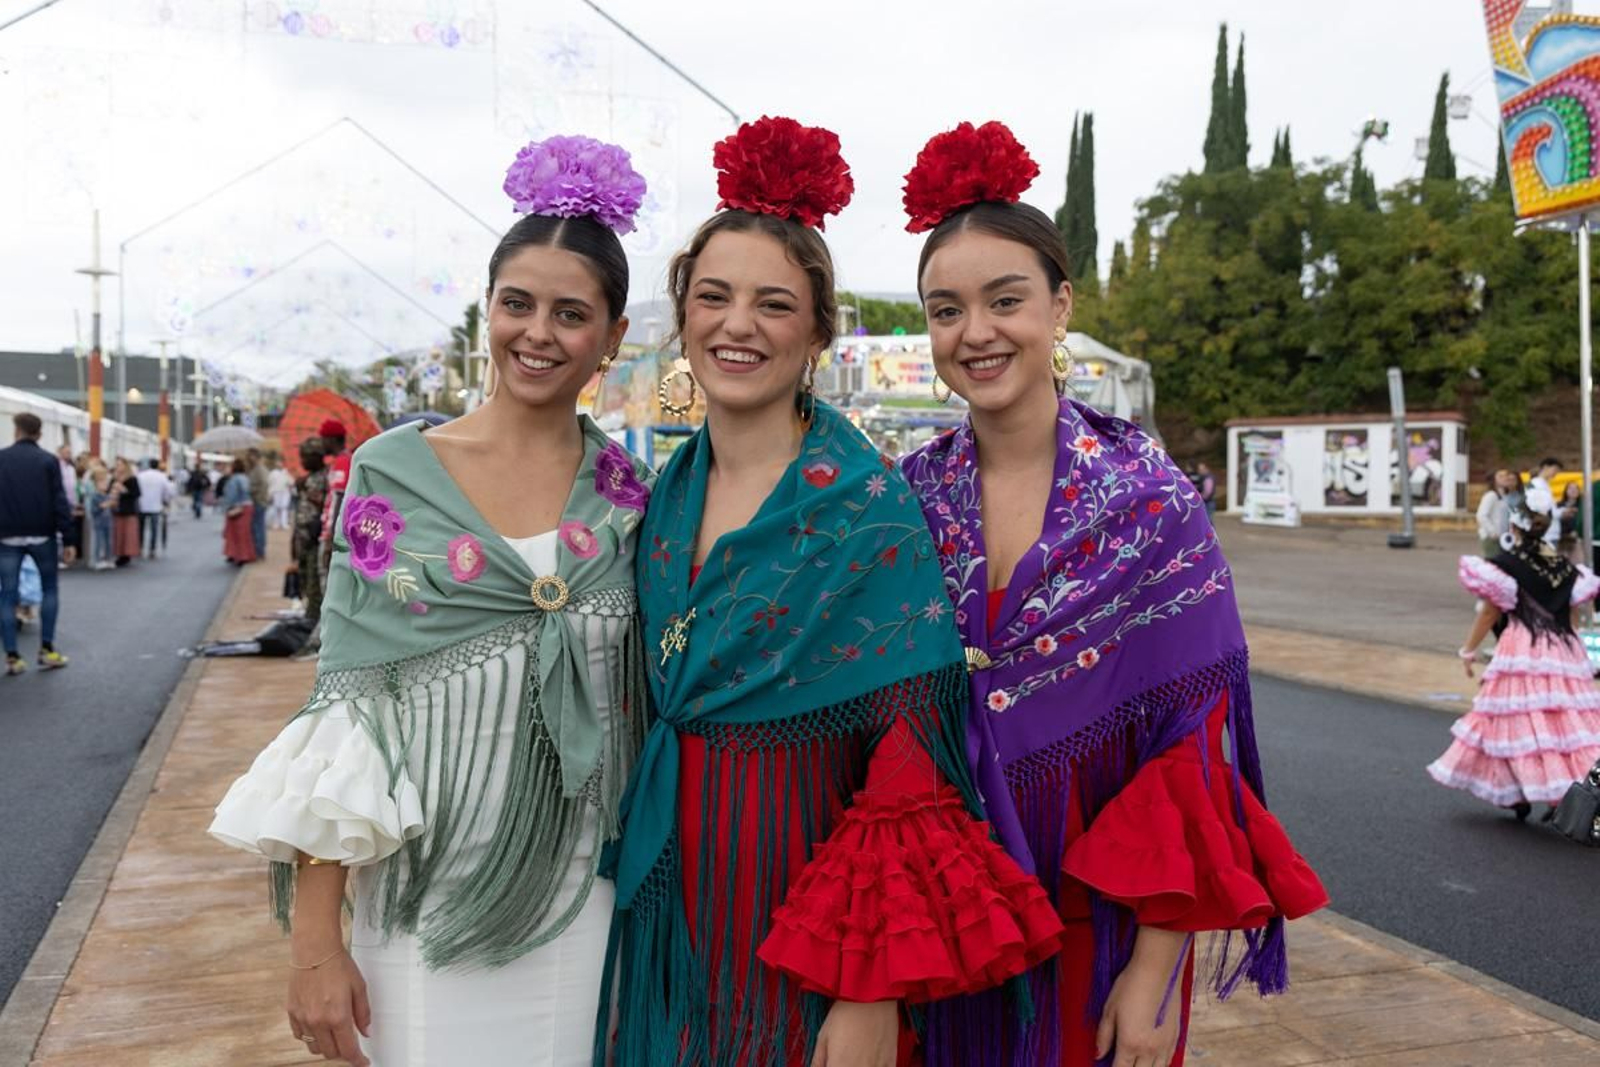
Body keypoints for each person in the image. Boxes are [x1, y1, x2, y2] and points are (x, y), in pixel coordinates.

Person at [604, 117, 1062, 1067]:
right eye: (714, 297)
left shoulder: (866, 507)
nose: (738, 325)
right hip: (666, 903)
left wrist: (865, 993)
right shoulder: (660, 503)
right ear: (683, 313)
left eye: (774, 304)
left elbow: (907, 761)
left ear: (818, 330)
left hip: (801, 908)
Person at [210, 134, 656, 1067]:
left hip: (586, 899)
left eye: (571, 313)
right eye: (516, 303)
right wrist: (316, 945)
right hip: (420, 895)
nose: (537, 332)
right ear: (485, 311)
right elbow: (347, 705)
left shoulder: (632, 496)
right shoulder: (395, 472)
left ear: (613, 338)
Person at [897, 122, 1328, 1067]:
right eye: (944, 309)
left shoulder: (1149, 502)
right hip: (938, 916)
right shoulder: (908, 500)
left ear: (1060, 306)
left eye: (1004, 300)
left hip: (1095, 920)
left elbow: (1189, 748)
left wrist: (1154, 969)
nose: (975, 332)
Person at [1430, 486, 1600, 820]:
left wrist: (1468, 649)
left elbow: (1490, 613)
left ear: (1515, 526)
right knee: (1565, 726)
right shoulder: (1563, 566)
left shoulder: (1507, 564)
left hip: (1523, 648)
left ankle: (1517, 792)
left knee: (1513, 722)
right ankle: (1563, 792)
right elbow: (1574, 614)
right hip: (1563, 651)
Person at [0, 412, 75, 676]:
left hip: (7, 536)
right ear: (39, 434)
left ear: (16, 430)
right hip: (42, 535)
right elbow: (59, 501)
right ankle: (47, 649)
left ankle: (12, 656)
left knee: (7, 595)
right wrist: (69, 538)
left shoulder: (2, 458)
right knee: (50, 590)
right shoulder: (49, 461)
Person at [290, 439, 329, 623]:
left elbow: (329, 505)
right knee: (305, 581)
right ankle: (309, 617)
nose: (302, 462)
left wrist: (310, 493)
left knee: (315, 585)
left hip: (316, 538)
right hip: (303, 538)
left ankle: (313, 622)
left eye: (305, 457)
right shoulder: (306, 479)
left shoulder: (327, 476)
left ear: (316, 457)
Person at [219, 458, 257, 565]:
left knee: (234, 534)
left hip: (237, 507)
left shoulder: (234, 479)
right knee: (245, 533)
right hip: (248, 506)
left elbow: (231, 496)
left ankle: (238, 555)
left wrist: (227, 507)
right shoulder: (245, 478)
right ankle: (246, 554)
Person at [135, 458, 172, 560]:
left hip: (142, 505)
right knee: (154, 529)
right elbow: (167, 491)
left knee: (141, 528)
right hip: (156, 506)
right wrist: (165, 501)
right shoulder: (162, 476)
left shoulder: (141, 475)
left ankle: (140, 547)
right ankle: (152, 549)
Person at [1476, 469, 1517, 559]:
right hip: (1492, 538)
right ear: (1494, 480)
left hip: (1503, 538)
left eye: (1506, 475)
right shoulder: (1491, 495)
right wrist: (1492, 532)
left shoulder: (1504, 496)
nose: (1505, 478)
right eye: (1500, 476)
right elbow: (1481, 515)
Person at [109, 457, 141, 567]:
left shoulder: (132, 479)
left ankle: (126, 555)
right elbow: (108, 490)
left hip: (128, 510)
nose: (118, 467)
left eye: (120, 464)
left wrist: (124, 491)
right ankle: (118, 553)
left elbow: (136, 494)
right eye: (117, 464)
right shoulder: (114, 479)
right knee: (118, 533)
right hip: (116, 509)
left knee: (127, 533)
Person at [86, 461, 114, 571]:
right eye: (103, 482)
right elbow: (94, 509)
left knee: (108, 541)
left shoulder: (106, 495)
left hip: (107, 521)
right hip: (98, 521)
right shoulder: (95, 495)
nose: (105, 484)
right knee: (97, 541)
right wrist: (104, 505)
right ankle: (96, 560)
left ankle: (108, 559)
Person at [1529, 457, 1563, 547]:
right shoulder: (1536, 485)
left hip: (1551, 531)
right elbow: (1543, 509)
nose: (1556, 473)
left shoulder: (1545, 485)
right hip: (1545, 532)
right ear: (1545, 467)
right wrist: (1561, 513)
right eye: (1555, 469)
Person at [246, 447, 271, 559]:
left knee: (258, 527)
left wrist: (254, 492)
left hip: (259, 501)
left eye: (251, 456)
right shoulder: (254, 469)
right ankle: (258, 549)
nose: (249, 458)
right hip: (257, 501)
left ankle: (259, 551)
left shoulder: (260, 469)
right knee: (257, 527)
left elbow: (264, 484)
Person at [1558, 481, 1584, 566]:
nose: (1573, 490)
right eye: (1570, 488)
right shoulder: (1559, 506)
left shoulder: (1584, 505)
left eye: (1576, 488)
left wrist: (1577, 531)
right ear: (1566, 491)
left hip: (1579, 540)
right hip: (1563, 540)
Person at [266, 455, 294, 531]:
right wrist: (269, 493)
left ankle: (284, 523)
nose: (279, 464)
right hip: (275, 491)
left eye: (280, 462)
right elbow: (269, 483)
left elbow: (291, 482)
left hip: (285, 492)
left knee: (284, 507)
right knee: (276, 507)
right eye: (278, 462)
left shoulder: (286, 472)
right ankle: (276, 523)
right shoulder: (273, 473)